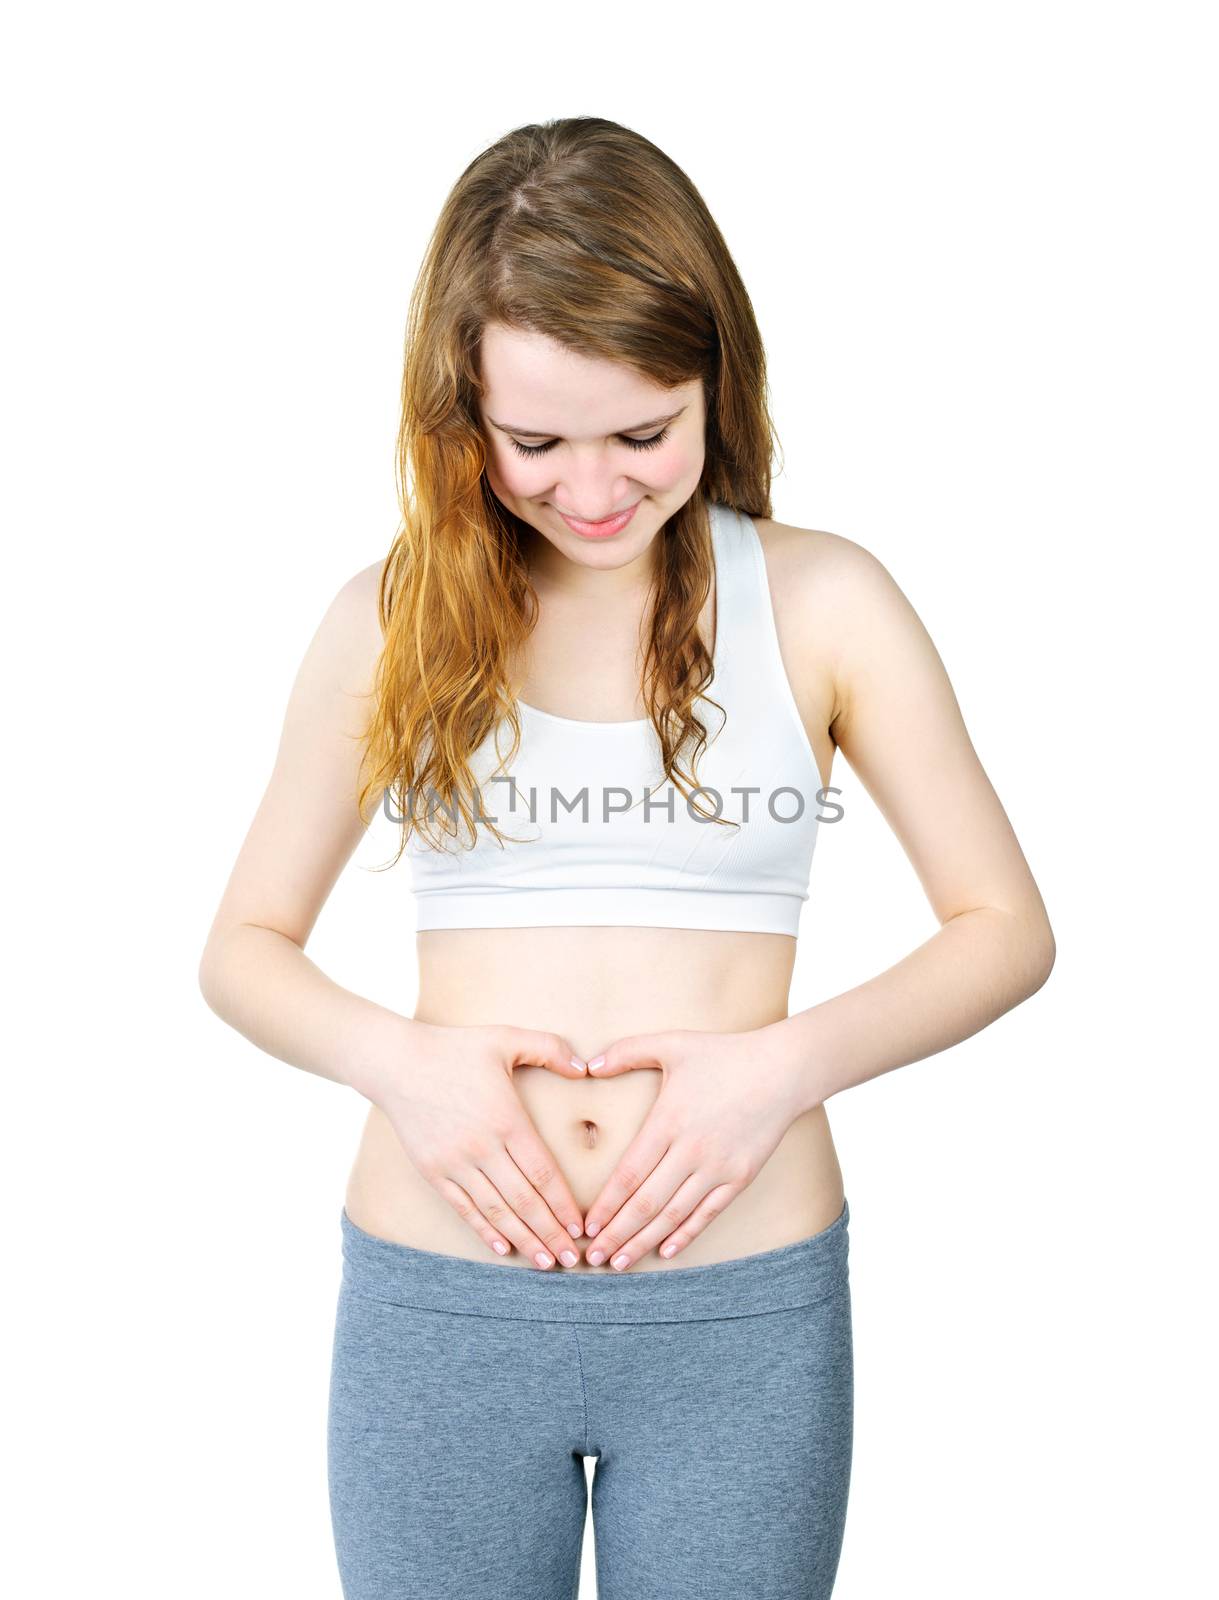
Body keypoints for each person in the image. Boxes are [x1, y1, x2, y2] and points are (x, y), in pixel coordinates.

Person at [198, 116, 1055, 1600]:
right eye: (534, 443)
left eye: (641, 434)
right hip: (441, 1307)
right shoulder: (392, 615)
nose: (591, 492)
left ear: (715, 384)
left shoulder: (826, 603)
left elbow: (1003, 926)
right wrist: (405, 1065)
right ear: (459, 413)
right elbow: (243, 948)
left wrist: (778, 1070)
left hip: (740, 1316)